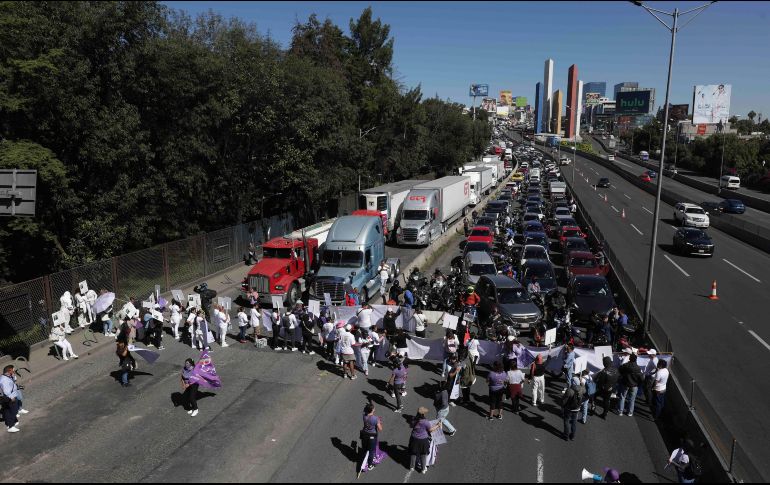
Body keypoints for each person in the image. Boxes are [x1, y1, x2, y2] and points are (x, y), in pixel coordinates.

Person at [408, 407, 441, 474]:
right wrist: (438, 425)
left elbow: (410, 426)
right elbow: (430, 430)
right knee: (423, 454)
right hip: (423, 440)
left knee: (413, 452)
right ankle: (423, 469)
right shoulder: (425, 422)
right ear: (424, 414)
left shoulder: (413, 419)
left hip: (414, 438)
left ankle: (412, 467)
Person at [361, 403, 383, 471]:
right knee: (371, 451)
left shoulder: (364, 416)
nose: (374, 409)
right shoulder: (375, 419)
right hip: (372, 436)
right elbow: (380, 429)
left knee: (365, 448)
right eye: (373, 408)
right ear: (372, 410)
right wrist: (379, 421)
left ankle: (364, 458)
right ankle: (370, 465)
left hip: (364, 434)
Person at [562, 376, 584, 441]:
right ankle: (572, 436)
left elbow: (564, 401)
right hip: (577, 408)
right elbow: (585, 390)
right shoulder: (582, 389)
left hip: (568, 408)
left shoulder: (569, 390)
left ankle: (566, 435)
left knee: (566, 421)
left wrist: (562, 406)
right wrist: (581, 382)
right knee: (574, 422)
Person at [1, 365, 21, 433]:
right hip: (9, 397)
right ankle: (11, 426)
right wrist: (11, 397)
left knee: (7, 410)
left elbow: (14, 380)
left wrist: (13, 374)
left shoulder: (8, 376)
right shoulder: (4, 380)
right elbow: (6, 391)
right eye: (13, 369)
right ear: (9, 371)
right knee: (14, 411)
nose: (14, 370)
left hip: (8, 397)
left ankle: (9, 423)